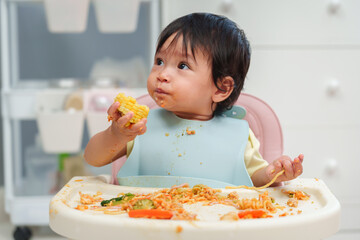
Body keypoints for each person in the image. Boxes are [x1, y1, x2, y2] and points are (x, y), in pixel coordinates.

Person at [84, 13, 303, 187]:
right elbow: (93, 158)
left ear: (221, 88)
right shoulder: (140, 127)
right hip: (144, 224)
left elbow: (251, 178)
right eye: (159, 61)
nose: (162, 74)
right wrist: (117, 134)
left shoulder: (238, 135)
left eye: (182, 66)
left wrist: (273, 173)